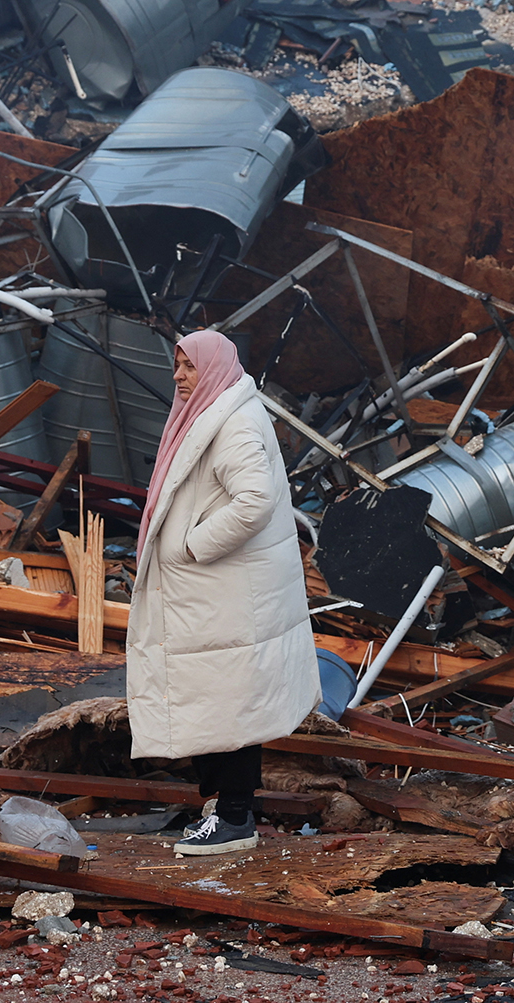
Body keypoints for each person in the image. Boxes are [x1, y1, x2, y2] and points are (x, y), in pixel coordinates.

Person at [127, 328, 319, 856]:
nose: (179, 377)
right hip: (214, 596)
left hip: (220, 591)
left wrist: (193, 546)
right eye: (176, 365)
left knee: (229, 705)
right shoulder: (217, 411)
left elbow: (254, 500)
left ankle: (235, 818)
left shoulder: (231, 421)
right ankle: (225, 808)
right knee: (216, 701)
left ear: (212, 367)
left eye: (188, 367)